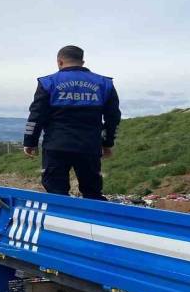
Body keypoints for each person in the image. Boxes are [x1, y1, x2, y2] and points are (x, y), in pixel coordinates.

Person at [23, 45, 121, 200]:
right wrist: (107, 143)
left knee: (56, 192)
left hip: (56, 146)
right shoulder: (104, 84)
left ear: (59, 62)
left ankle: (61, 214)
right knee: (92, 191)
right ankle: (93, 214)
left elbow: (36, 115)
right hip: (89, 146)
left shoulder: (48, 83)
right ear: (82, 62)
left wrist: (30, 142)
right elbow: (113, 117)